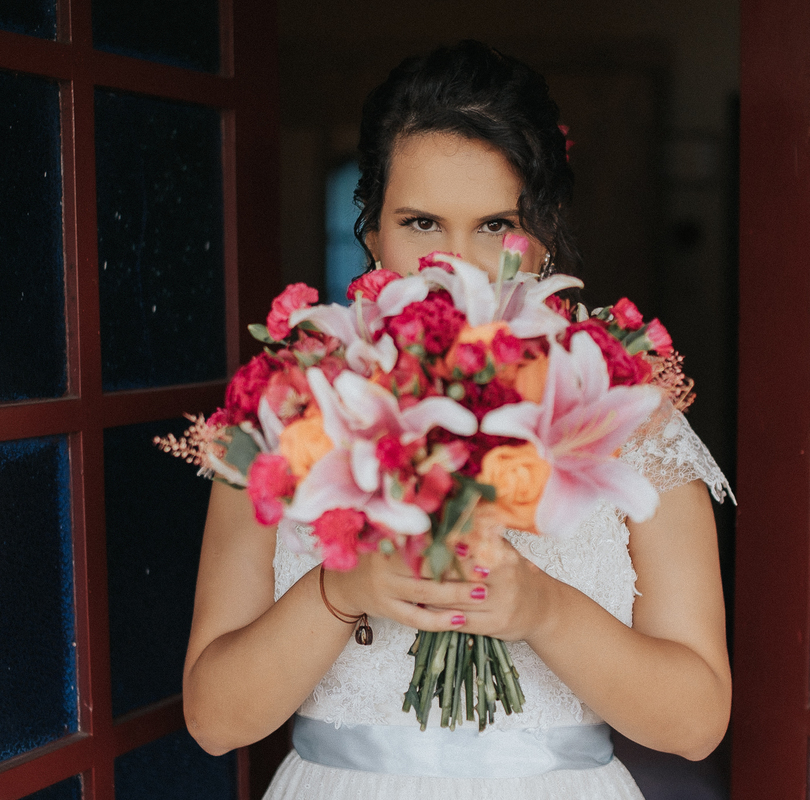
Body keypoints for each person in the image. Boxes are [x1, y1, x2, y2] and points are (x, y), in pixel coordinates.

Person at [183, 41, 733, 800]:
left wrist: (541, 609)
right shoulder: (288, 410)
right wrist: (342, 590)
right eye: (421, 223)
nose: (456, 265)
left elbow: (697, 724)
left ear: (544, 238)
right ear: (371, 232)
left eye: (496, 225)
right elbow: (214, 721)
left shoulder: (623, 415)